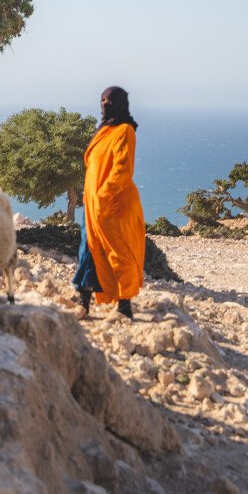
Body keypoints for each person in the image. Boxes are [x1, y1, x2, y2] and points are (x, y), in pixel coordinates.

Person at [72, 85, 145, 320]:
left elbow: (122, 171)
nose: (105, 103)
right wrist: (92, 201)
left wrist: (103, 196)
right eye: (102, 99)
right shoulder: (104, 131)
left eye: (109, 100)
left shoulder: (125, 131)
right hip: (92, 208)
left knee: (118, 253)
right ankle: (83, 302)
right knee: (88, 252)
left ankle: (124, 308)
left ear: (121, 103)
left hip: (115, 206)